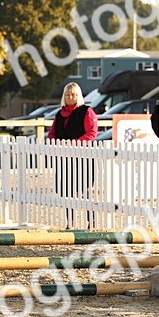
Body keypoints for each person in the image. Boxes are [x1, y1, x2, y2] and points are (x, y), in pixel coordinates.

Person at [47, 82, 98, 229]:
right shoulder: (59, 114)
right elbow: (52, 134)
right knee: (66, 191)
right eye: (68, 95)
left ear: (79, 96)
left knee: (85, 191)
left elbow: (91, 134)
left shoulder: (87, 112)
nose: (71, 97)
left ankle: (91, 222)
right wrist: (54, 144)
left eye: (74, 94)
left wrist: (74, 144)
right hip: (63, 159)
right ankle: (70, 222)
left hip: (82, 158)